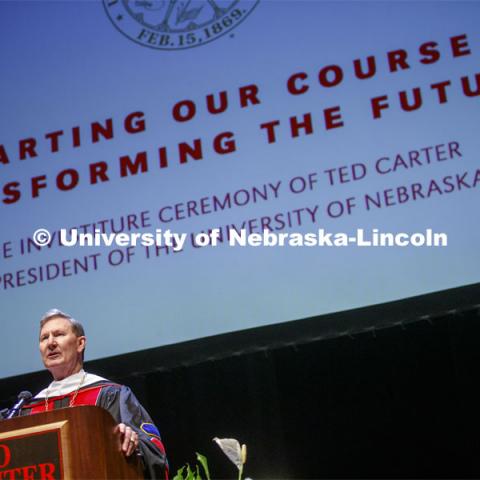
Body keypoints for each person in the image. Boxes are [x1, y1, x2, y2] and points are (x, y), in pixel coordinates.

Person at [20, 309, 168, 479]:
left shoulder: (111, 394)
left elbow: (154, 451)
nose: (50, 343)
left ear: (80, 344)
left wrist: (134, 445)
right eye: (44, 338)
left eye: (59, 334)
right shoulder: (28, 409)